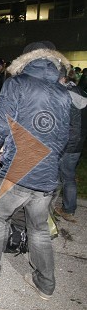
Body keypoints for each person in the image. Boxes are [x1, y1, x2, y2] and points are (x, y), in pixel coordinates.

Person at [0, 41, 71, 301]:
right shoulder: (63, 90)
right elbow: (65, 135)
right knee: (39, 228)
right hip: (48, 171)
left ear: (27, 59)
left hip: (21, 168)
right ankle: (45, 284)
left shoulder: (17, 84)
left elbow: (0, 125)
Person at [51, 66, 87, 223]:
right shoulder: (80, 91)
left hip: (68, 142)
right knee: (68, 175)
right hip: (78, 142)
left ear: (63, 79)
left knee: (63, 175)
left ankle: (67, 209)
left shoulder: (65, 95)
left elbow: (63, 122)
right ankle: (66, 207)